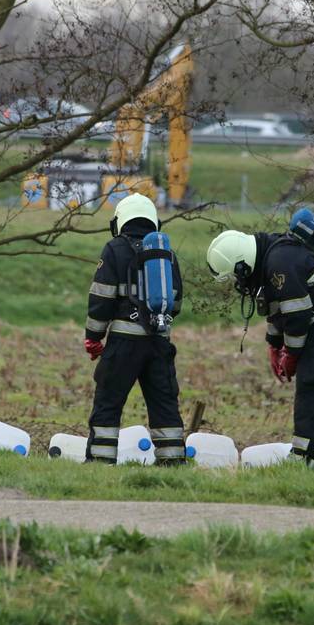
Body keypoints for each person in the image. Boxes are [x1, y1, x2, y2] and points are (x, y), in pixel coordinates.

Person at [205, 229, 314, 463]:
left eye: (235, 277)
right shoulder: (269, 260)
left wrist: (290, 354)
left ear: (242, 266)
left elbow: (296, 317)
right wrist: (274, 345)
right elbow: (277, 310)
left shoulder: (279, 264)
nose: (238, 283)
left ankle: (304, 457)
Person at [82, 193, 186, 465]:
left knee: (108, 403)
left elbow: (101, 299)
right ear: (155, 222)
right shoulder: (167, 254)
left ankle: (100, 463)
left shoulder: (114, 249)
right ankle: (173, 462)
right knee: (164, 405)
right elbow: (175, 303)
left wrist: (93, 337)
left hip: (123, 344)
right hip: (159, 343)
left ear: (120, 221)